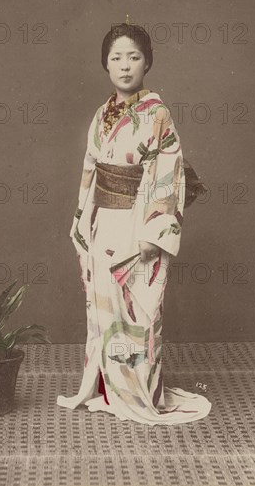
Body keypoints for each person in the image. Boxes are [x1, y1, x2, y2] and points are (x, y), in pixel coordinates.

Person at [57, 21, 212, 425]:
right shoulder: (102, 114)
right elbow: (91, 168)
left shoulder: (157, 114)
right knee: (106, 309)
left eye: (134, 57)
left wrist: (154, 231)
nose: (125, 65)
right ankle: (110, 390)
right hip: (103, 219)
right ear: (105, 65)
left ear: (147, 63)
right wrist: (83, 219)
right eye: (116, 58)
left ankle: (140, 392)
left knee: (140, 312)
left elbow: (166, 171)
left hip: (138, 222)